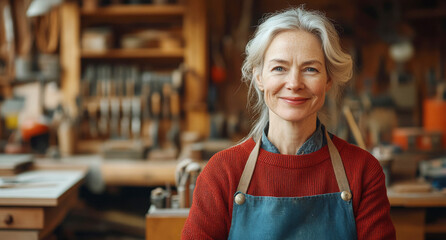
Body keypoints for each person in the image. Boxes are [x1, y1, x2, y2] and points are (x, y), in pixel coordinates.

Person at [182, 6, 396, 240]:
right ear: (259, 77)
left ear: (328, 80)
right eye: (279, 68)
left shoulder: (363, 171)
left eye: (310, 69)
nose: (294, 83)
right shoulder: (222, 173)